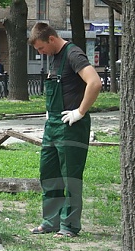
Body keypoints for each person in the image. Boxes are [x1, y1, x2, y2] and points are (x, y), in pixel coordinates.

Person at [27, 22, 101, 238]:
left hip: (71, 127)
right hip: (53, 126)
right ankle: (51, 221)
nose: (41, 53)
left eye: (41, 48)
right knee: (49, 173)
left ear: (51, 39)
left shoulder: (73, 54)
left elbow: (94, 83)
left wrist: (79, 112)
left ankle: (69, 225)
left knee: (71, 177)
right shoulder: (56, 58)